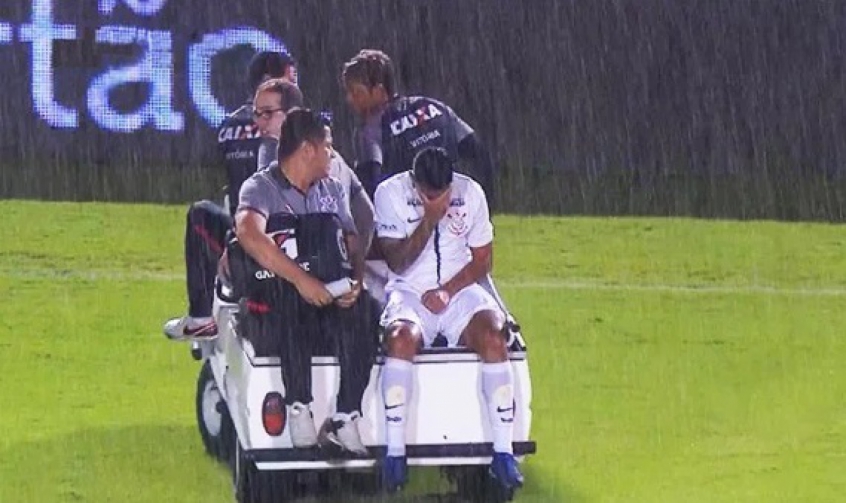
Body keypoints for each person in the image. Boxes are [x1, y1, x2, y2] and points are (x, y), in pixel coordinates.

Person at [372, 147, 524, 492]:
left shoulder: (471, 193)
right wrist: (429, 219)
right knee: (400, 339)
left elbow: (483, 261)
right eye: (428, 193)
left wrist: (447, 290)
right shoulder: (390, 193)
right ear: (415, 184)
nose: (436, 198)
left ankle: (503, 453)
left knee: (494, 334)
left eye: (441, 193)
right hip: (410, 290)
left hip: (459, 289)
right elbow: (396, 262)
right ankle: (395, 454)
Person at [234, 108, 375, 454]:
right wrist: (301, 280)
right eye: (327, 146)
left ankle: (345, 415)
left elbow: (351, 240)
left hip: (327, 300)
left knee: (368, 309)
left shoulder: (331, 189)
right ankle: (298, 406)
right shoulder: (260, 187)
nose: (332, 154)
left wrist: (355, 281)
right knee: (288, 297)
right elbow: (248, 233)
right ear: (308, 150)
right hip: (276, 304)